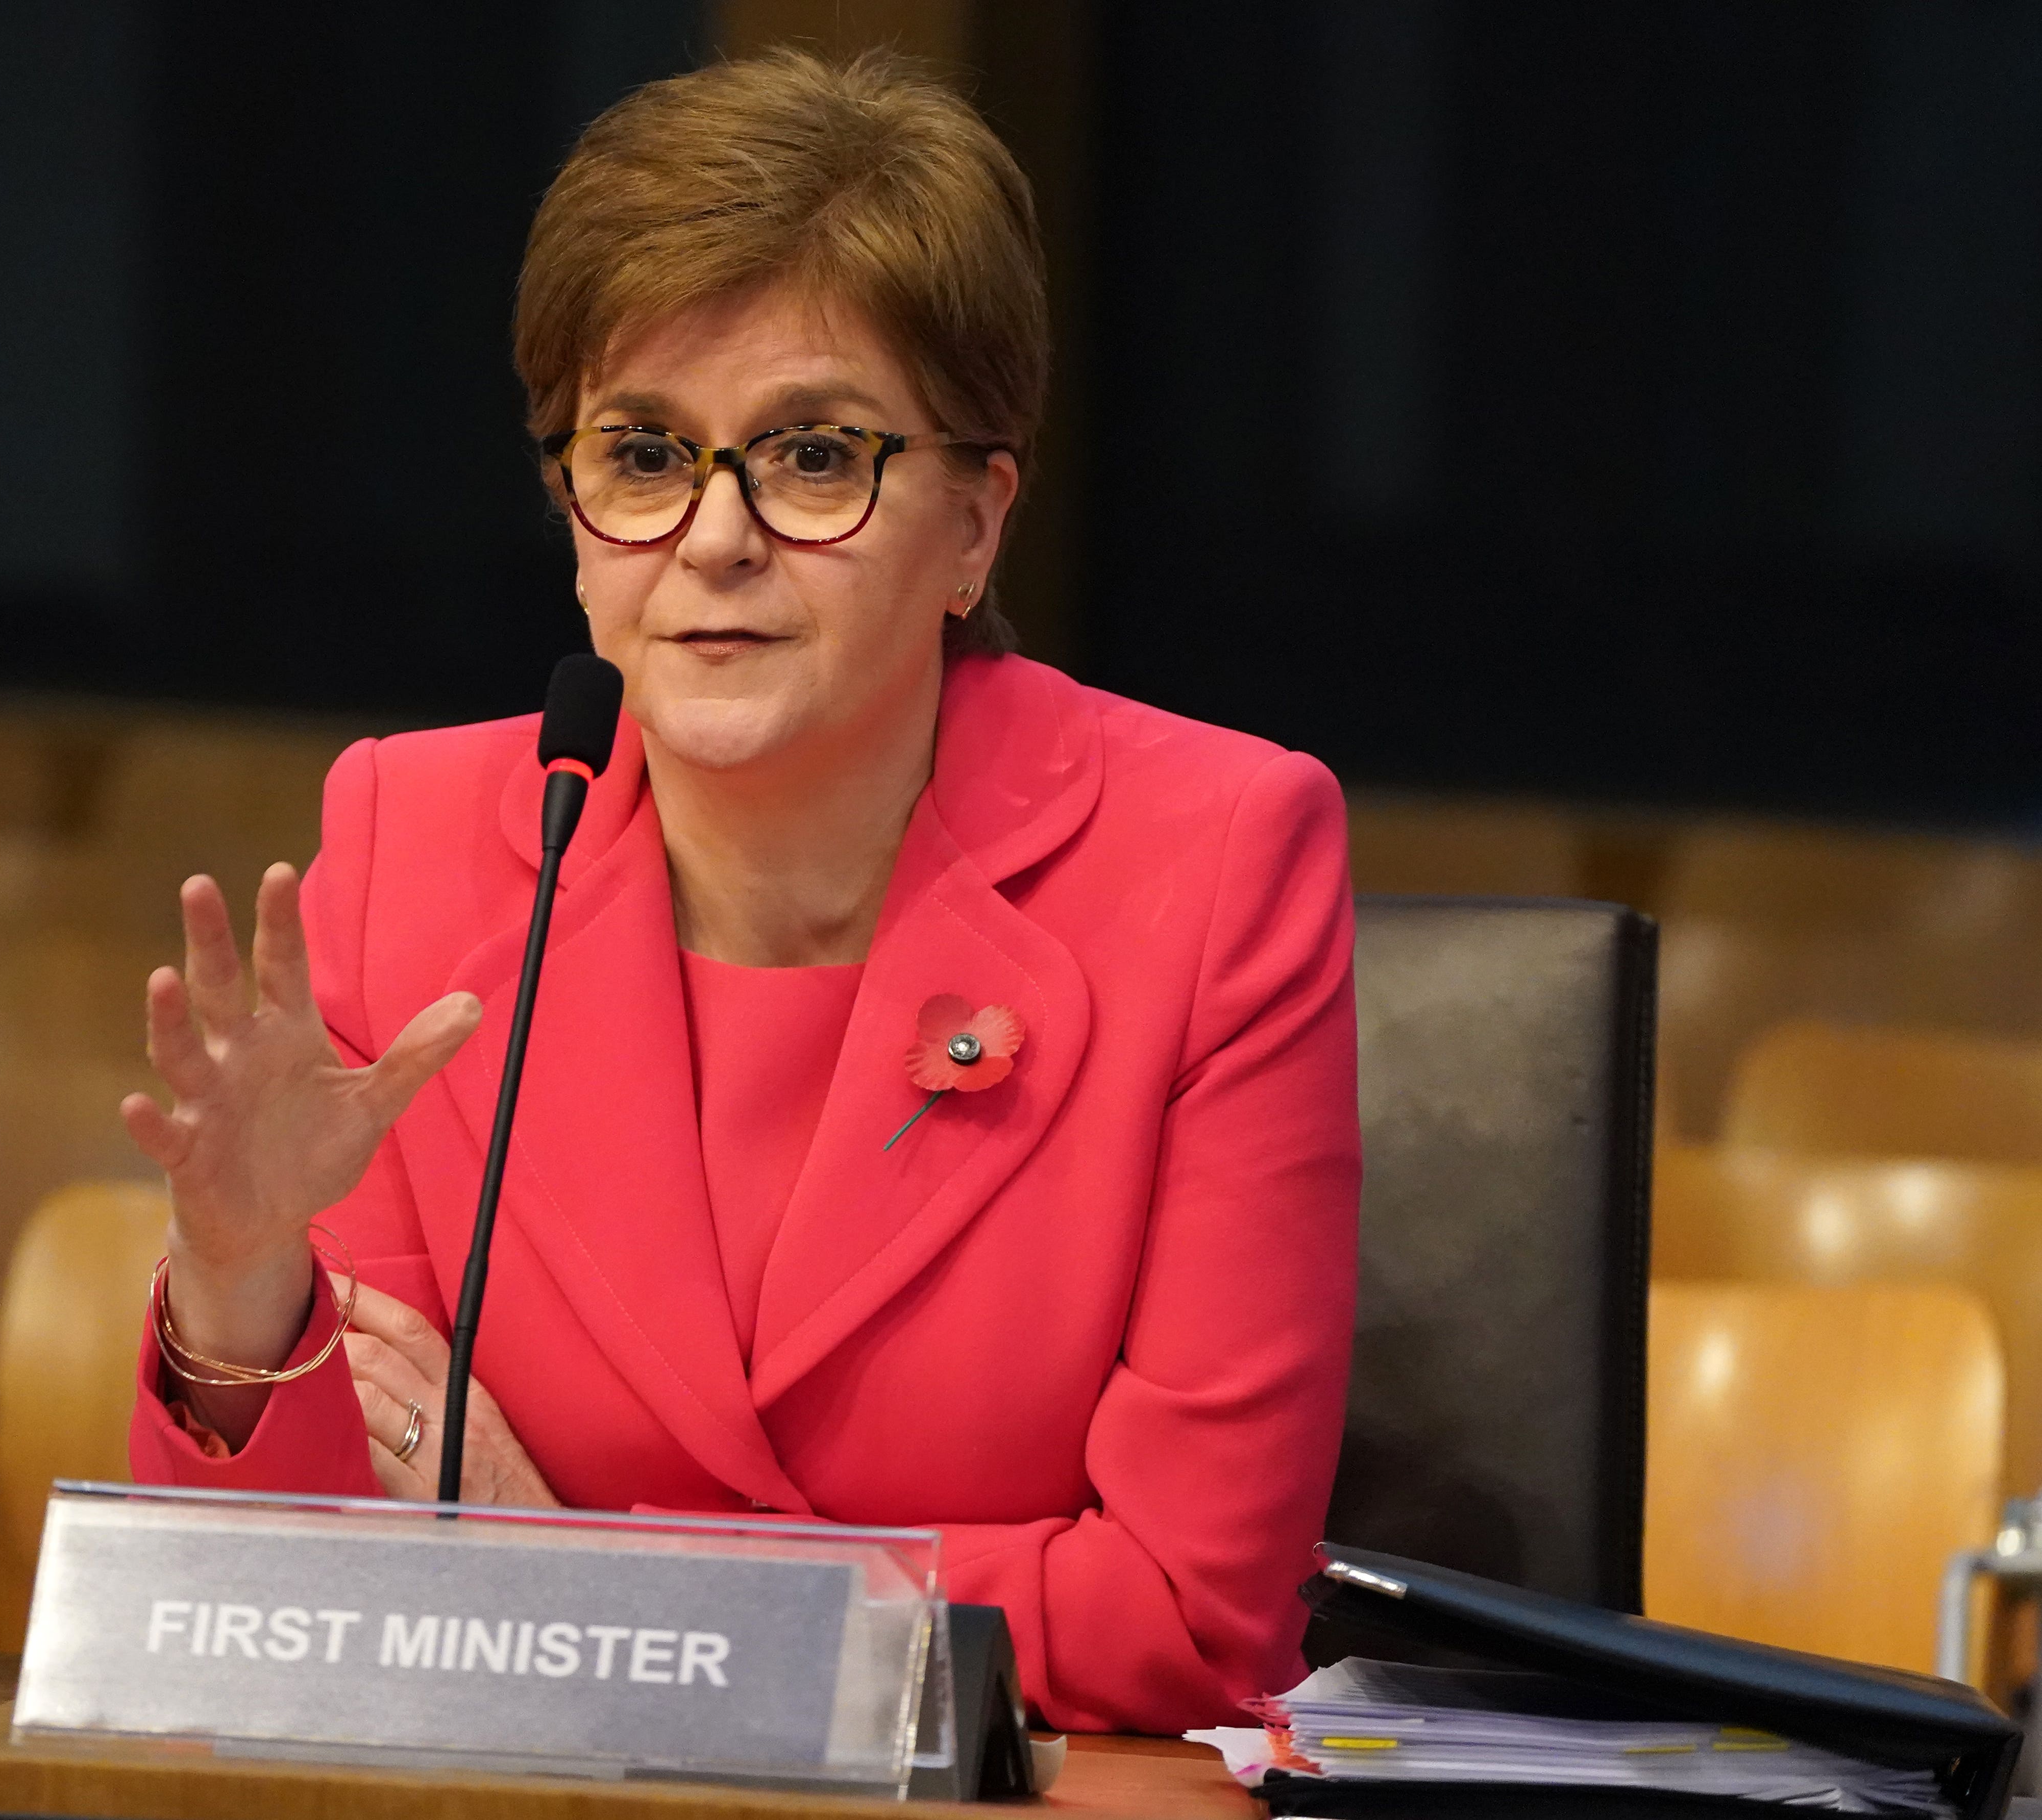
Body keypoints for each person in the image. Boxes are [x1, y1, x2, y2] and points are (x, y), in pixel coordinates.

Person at [119, 48, 1358, 1735]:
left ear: (977, 525)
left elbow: (1185, 1611)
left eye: (811, 456)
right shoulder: (410, 834)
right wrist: (239, 1275)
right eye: (642, 455)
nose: (713, 540)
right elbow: (292, 1608)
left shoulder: (1217, 862)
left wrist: (598, 1597)